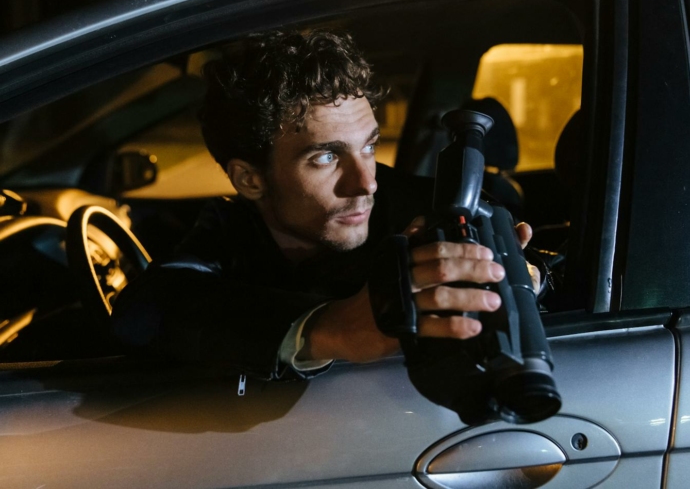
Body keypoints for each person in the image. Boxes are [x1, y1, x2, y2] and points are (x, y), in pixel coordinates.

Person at [112, 29, 533, 380]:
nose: (366, 182)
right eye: (326, 157)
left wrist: (525, 274)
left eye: (369, 147)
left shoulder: (425, 206)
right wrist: (327, 328)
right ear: (250, 180)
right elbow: (148, 310)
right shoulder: (229, 226)